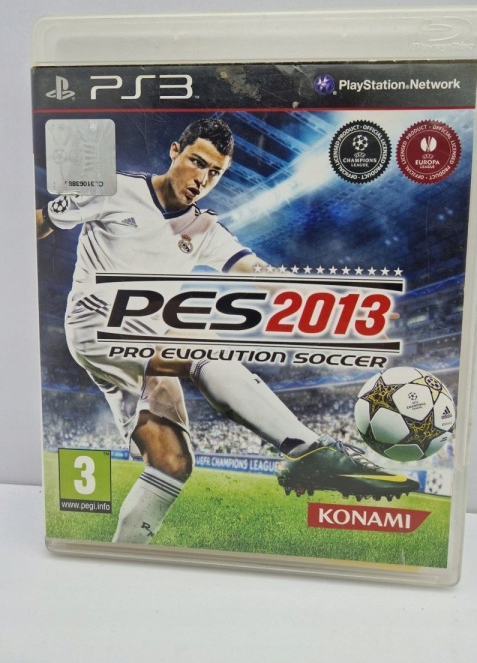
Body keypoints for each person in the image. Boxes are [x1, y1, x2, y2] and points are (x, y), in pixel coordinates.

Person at [36, 118, 418, 544]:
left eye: (215, 172)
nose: (202, 180)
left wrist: (336, 304)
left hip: (145, 340)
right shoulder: (115, 189)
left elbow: (258, 272)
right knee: (201, 341)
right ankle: (308, 451)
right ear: (175, 151)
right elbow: (44, 220)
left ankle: (122, 559)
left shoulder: (203, 229)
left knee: (172, 463)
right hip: (96, 322)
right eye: (197, 162)